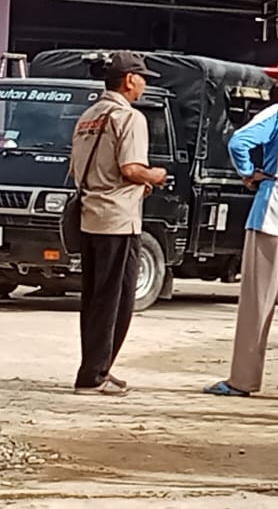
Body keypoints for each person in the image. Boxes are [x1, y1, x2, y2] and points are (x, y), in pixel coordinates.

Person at [204, 53, 278, 402]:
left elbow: (239, 141)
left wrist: (248, 172)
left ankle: (243, 380)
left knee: (258, 302)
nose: (276, 86)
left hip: (271, 210)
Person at [70, 51, 167, 395]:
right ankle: (95, 375)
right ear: (129, 80)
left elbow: (77, 169)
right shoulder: (129, 118)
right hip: (118, 219)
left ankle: (93, 368)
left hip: (90, 215)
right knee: (116, 299)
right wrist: (155, 175)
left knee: (94, 297)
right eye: (142, 78)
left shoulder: (89, 115)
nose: (143, 85)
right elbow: (131, 169)